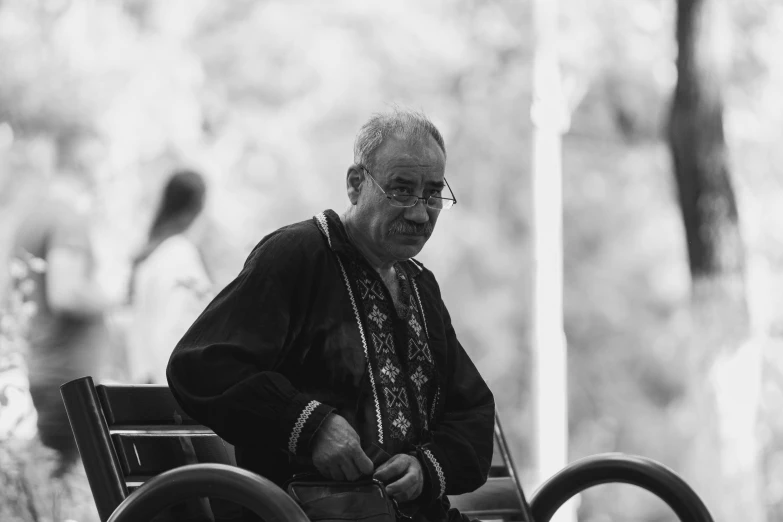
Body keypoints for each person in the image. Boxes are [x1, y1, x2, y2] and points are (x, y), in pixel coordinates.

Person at [167, 109, 496, 522]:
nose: (419, 213)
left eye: (431, 194)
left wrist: (426, 468)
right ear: (356, 184)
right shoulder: (297, 255)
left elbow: (473, 412)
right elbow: (202, 365)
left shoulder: (419, 286)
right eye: (401, 190)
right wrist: (311, 426)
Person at [10, 165, 110, 477]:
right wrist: (114, 299)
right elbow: (65, 295)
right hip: (70, 379)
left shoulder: (29, 221)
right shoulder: (68, 219)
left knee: (53, 485)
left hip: (44, 368)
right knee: (70, 491)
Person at [126, 169, 212, 384]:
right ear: (199, 206)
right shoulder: (179, 254)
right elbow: (174, 326)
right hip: (172, 386)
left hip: (148, 380)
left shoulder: (153, 254)